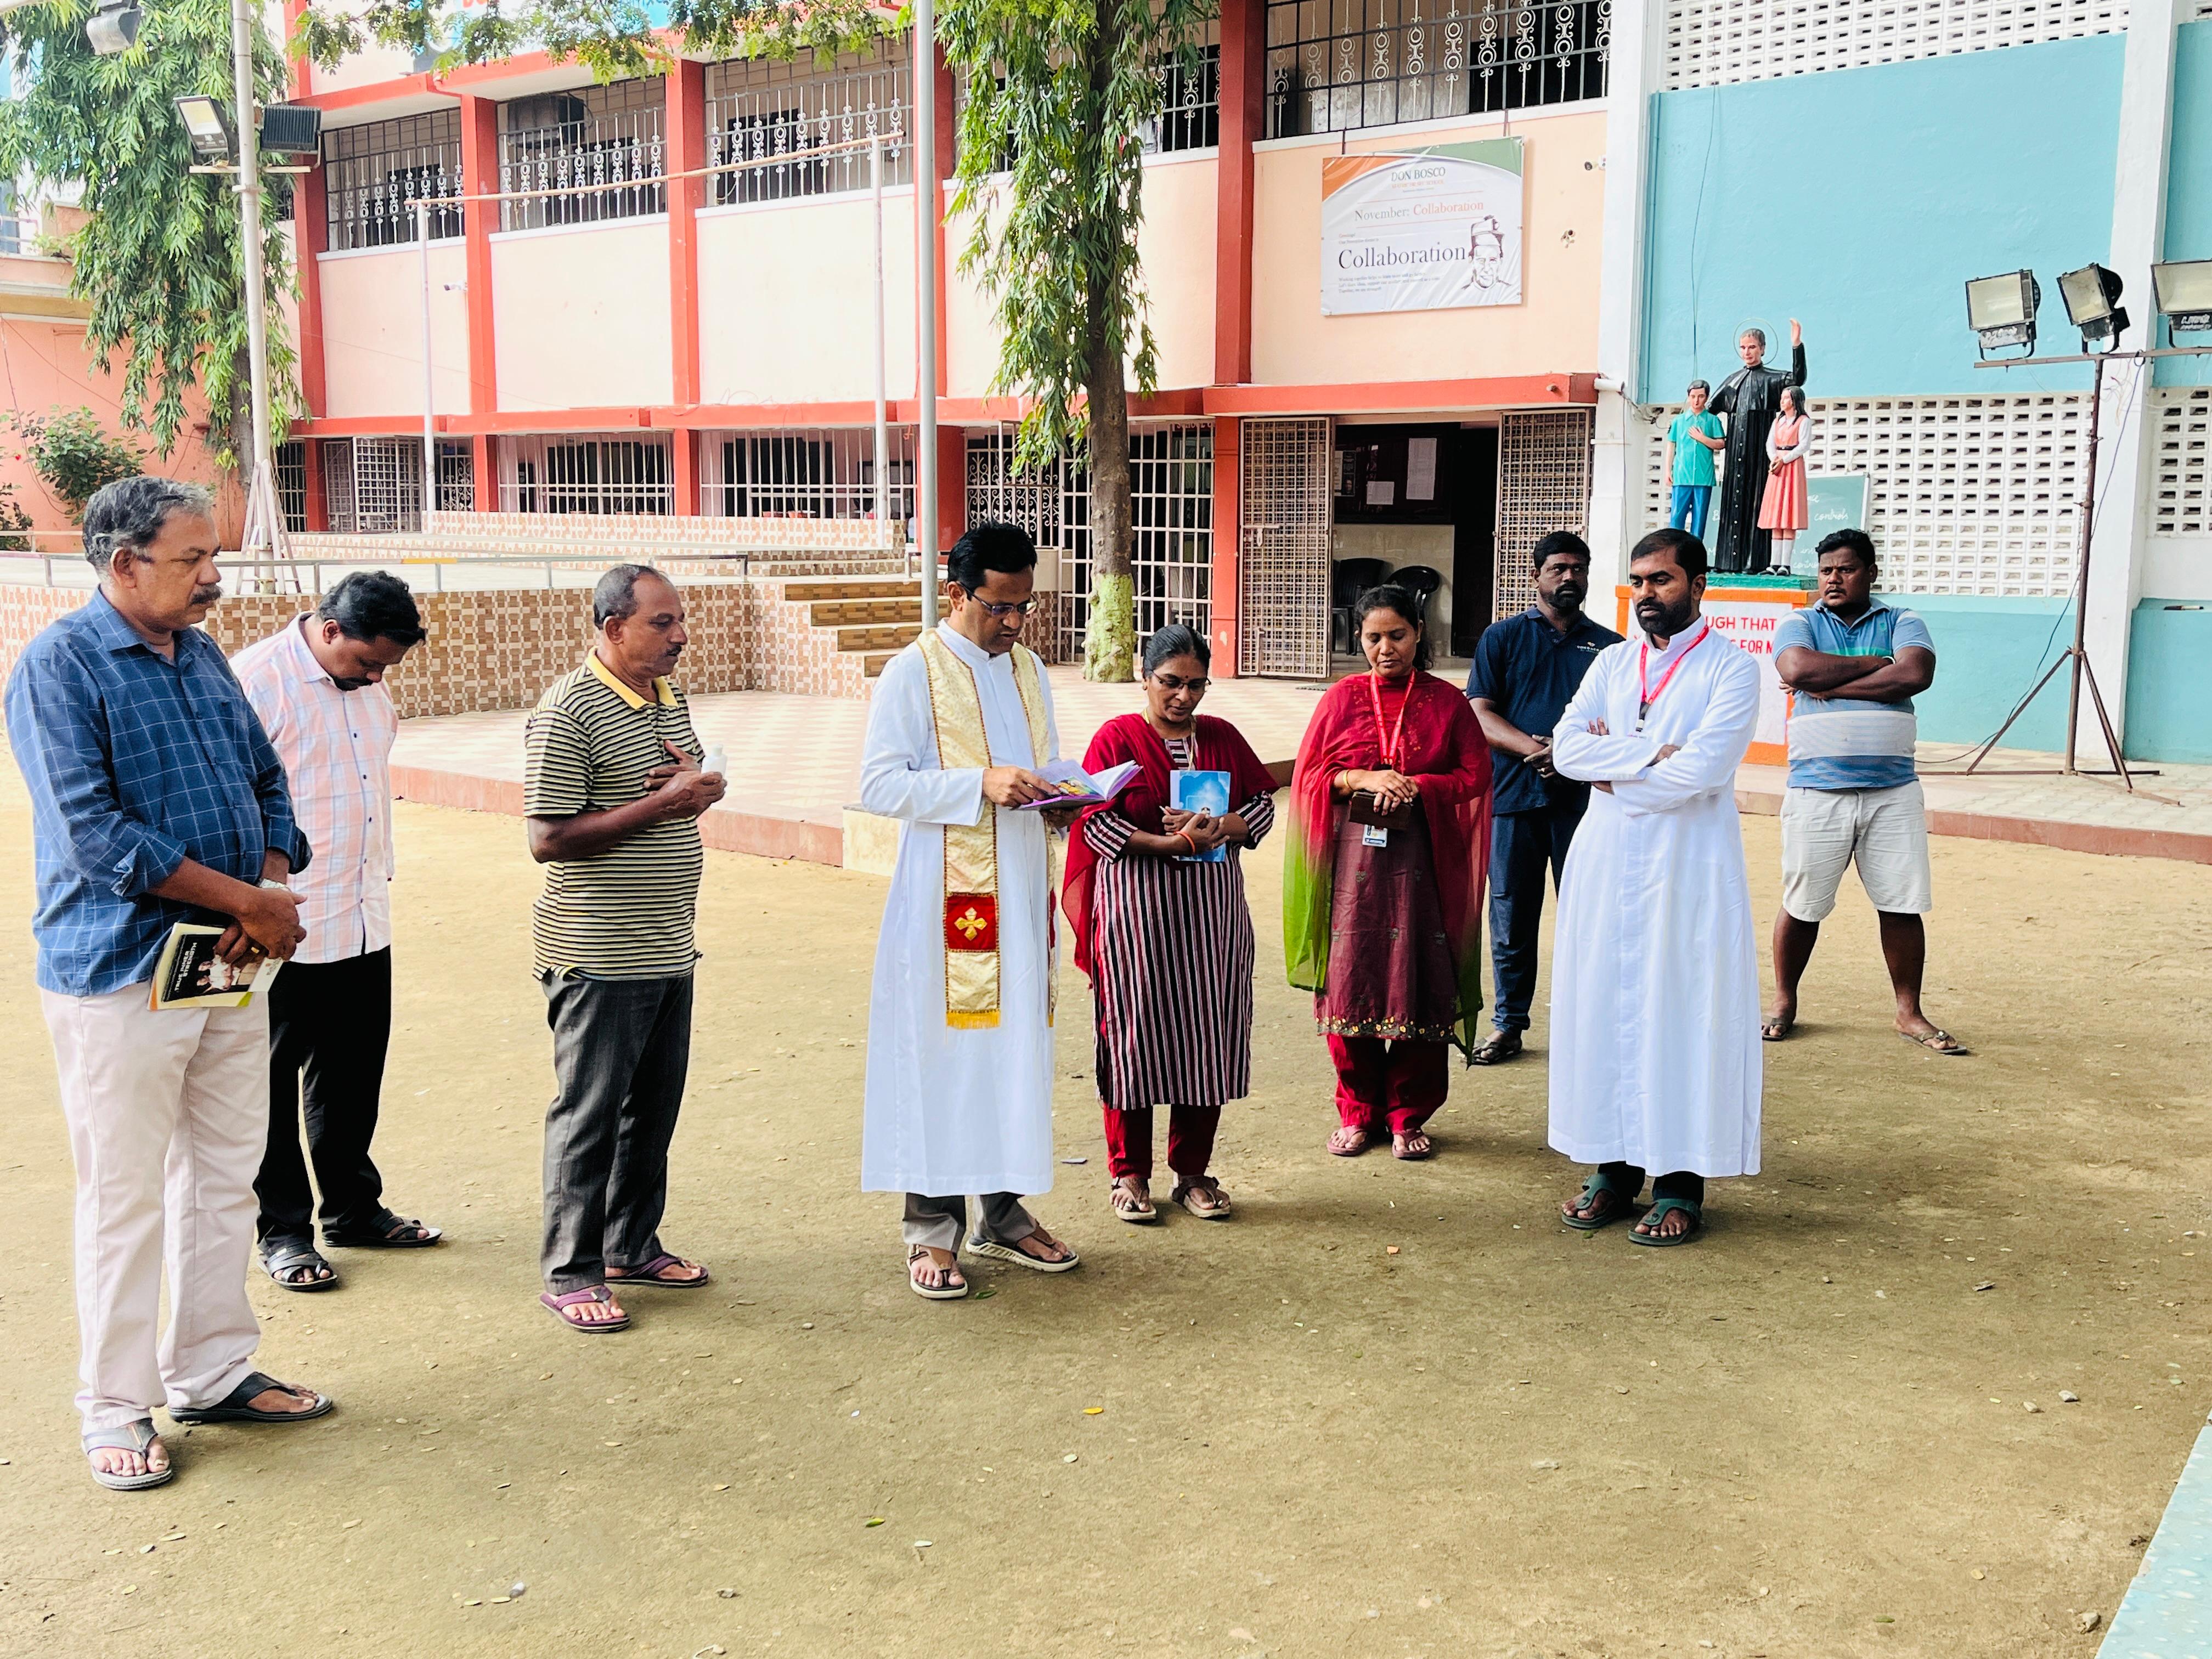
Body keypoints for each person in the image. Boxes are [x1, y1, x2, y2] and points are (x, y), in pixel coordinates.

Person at [7, 476, 331, 1492]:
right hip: (119, 971)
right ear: (123, 564)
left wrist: (268, 886)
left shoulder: (201, 656)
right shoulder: (58, 668)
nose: (214, 577)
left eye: (212, 557)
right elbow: (96, 834)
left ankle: (212, 1368)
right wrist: (248, 898)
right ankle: (114, 1402)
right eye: (193, 560)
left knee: (226, 1171)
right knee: (125, 1193)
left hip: (227, 962)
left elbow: (266, 779)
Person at [859, 521, 1081, 1299]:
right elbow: (879, 785)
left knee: (1011, 1047)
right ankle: (931, 1229)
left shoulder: (1026, 668)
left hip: (1017, 890)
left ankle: (1004, 1212)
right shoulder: (912, 673)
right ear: (958, 593)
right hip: (947, 907)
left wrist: (1060, 794)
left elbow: (1039, 762)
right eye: (1000, 607)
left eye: (1026, 607)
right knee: (945, 1052)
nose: (1016, 623)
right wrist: (976, 783)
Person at [524, 565, 726, 1334]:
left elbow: (681, 784)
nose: (680, 636)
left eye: (680, 620)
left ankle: (631, 1245)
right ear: (612, 629)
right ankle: (570, 1272)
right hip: (599, 950)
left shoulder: (666, 696)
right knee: (590, 1115)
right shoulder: (568, 710)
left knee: (652, 1109)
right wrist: (664, 804)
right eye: (662, 623)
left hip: (669, 942)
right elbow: (547, 839)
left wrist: (698, 789)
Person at [1549, 528, 1762, 1247]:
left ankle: (1679, 1184)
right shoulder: (1611, 663)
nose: (1646, 594)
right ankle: (1612, 1171)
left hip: (1688, 867)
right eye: (1638, 581)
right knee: (1607, 1003)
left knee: (1681, 1012)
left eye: (1661, 581)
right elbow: (1568, 747)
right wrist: (1641, 756)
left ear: (1698, 586)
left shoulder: (1732, 671)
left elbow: (1701, 771)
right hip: (1608, 861)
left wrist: (1615, 775)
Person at [232, 572, 438, 1294]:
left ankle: (353, 1209)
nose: (377, 678)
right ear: (328, 630)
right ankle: (283, 1232)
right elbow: (232, 805)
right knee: (269, 1085)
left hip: (361, 913)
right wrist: (250, 904)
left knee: (353, 1075)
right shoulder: (257, 682)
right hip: (283, 924)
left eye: (386, 668)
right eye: (367, 664)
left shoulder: (371, 687)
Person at [1063, 624, 1278, 1223]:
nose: (1184, 697)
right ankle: (1128, 1173)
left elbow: (1261, 806)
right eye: (1171, 683)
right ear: (1145, 674)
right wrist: (1168, 842)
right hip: (1139, 916)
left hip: (1212, 918)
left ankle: (1193, 1173)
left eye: (1196, 685)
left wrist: (1221, 827)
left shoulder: (1222, 738)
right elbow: (1092, 820)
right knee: (1134, 1036)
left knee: (1205, 1033)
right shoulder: (1117, 738)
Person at [1285, 585, 1491, 1161]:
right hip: (1351, 869)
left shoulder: (1447, 703)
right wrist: (1360, 779)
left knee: (1417, 981)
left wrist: (1416, 785)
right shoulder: (1341, 698)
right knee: (1351, 982)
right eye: (1373, 637)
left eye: (1397, 635)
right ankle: (1358, 1112)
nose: (1385, 648)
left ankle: (1407, 1115)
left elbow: (1475, 776)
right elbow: (1309, 776)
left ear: (1419, 634)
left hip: (1420, 869)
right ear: (1360, 639)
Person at [1765, 529, 1963, 1054]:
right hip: (1817, 790)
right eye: (1826, 569)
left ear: (1871, 573)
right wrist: (1878, 667)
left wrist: (1827, 687)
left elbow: (1915, 674)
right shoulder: (1800, 621)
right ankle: (1785, 1001)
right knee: (1802, 903)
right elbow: (1795, 668)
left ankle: (1909, 1012)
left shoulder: (1903, 619)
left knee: (1902, 903)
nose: (1833, 578)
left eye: (1846, 569)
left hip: (1892, 791)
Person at [1463, 531, 1623, 1065]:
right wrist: (1541, 750)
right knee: (1511, 920)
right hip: (1513, 800)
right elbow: (1480, 714)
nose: (1569, 577)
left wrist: (1576, 756)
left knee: (1591, 918)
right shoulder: (1502, 638)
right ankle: (1509, 1025)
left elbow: (1624, 726)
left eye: (1579, 568)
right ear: (1536, 576)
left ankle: (1592, 1027)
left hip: (1587, 806)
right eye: (1558, 568)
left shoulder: (1612, 648)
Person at [1709, 319, 1807, 574]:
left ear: (1762, 349)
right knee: (1731, 505)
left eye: (1752, 347)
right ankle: (1727, 563)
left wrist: (1796, 345)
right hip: (1734, 457)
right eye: (1743, 347)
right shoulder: (1733, 381)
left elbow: (1798, 379)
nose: (1747, 352)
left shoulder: (1772, 380)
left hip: (1761, 457)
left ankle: (1758, 563)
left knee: (1756, 506)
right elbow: (1710, 409)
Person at [1758, 386, 1813, 573]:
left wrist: (1785, 459)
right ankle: (1773, 563)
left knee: (1789, 515)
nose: (1783, 402)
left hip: (1792, 466)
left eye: (1786, 398)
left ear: (1795, 401)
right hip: (1777, 467)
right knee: (1776, 514)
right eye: (1782, 398)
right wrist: (1774, 458)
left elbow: (1804, 445)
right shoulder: (1778, 421)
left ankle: (1785, 564)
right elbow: (1769, 443)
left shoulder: (1803, 421)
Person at [1666, 381, 1726, 541]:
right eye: (1693, 397)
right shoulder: (1679, 421)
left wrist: (1702, 438)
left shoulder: (1713, 421)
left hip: (1703, 477)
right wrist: (1667, 471)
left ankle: (1696, 556)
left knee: (1699, 521)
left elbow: (1721, 444)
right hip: (1681, 476)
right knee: (1676, 518)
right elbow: (1671, 446)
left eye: (1700, 397)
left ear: (1706, 398)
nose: (1696, 401)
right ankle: (1675, 555)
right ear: (1688, 397)